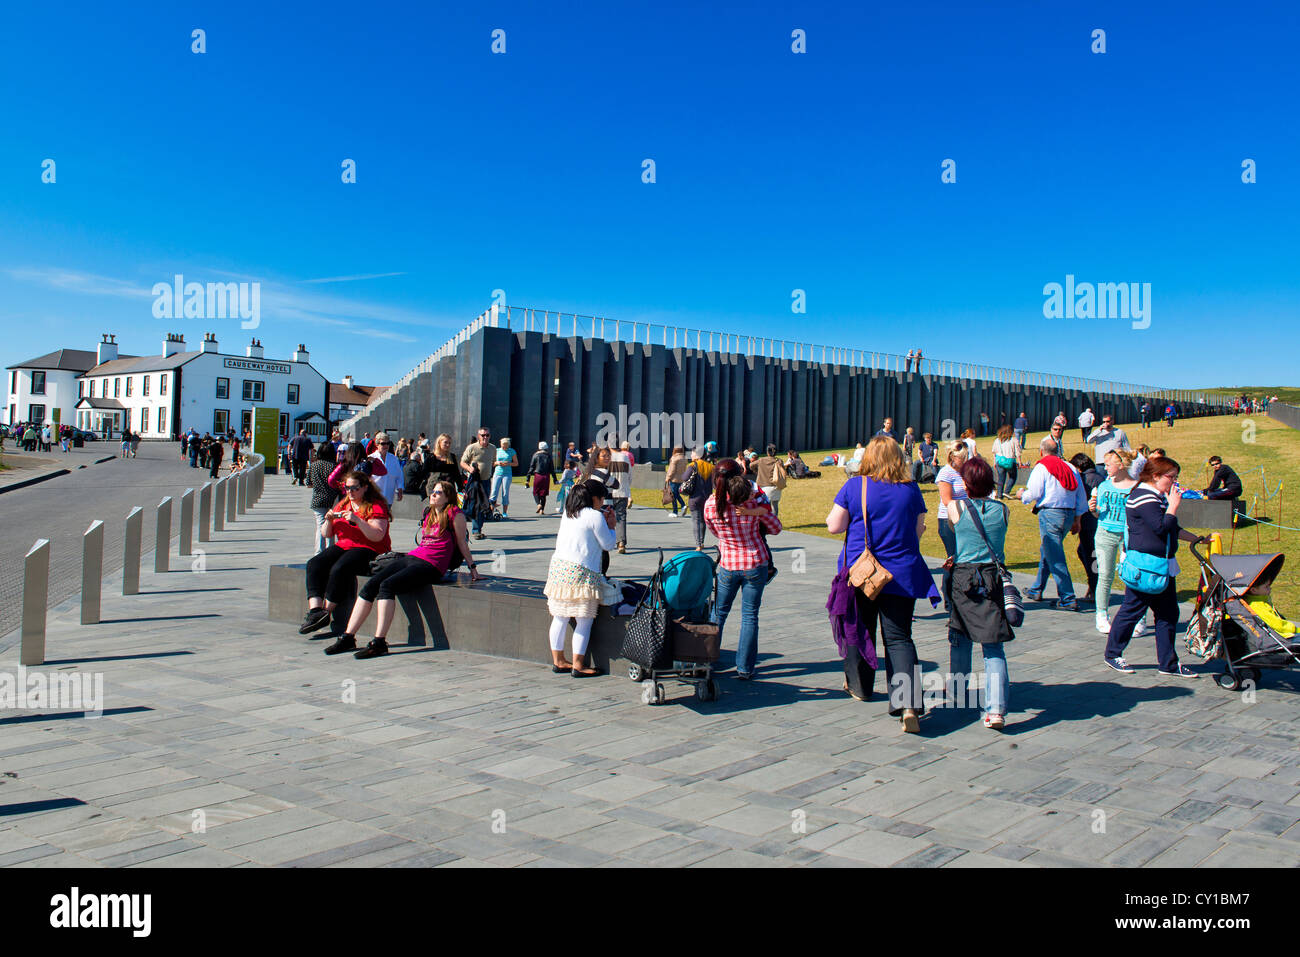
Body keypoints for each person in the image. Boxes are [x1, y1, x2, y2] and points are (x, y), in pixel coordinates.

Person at [825, 437, 934, 732]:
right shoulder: (911, 489)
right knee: (899, 638)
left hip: (862, 572)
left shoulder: (855, 486)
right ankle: (908, 702)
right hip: (902, 572)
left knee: (860, 628)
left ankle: (860, 687)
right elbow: (919, 527)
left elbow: (834, 526)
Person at [327, 480, 479, 658]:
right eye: (433, 491)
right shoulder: (428, 512)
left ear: (448, 497)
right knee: (370, 586)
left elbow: (462, 542)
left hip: (432, 565)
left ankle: (379, 642)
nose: (433, 495)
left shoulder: (455, 513)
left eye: (438, 493)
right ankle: (347, 637)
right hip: (414, 557)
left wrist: (473, 568)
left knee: (387, 586)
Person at [1104, 456, 1207, 677]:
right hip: (1146, 567)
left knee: (1168, 613)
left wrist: (1198, 539)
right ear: (1156, 476)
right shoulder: (1144, 497)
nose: (1175, 482)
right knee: (1132, 610)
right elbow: (1161, 528)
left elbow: (1173, 528)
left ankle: (1168, 664)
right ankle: (1112, 654)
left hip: (1163, 566)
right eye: (1172, 477)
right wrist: (1173, 506)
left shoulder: (1156, 497)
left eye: (1176, 477)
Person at [944, 456, 1015, 730]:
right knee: (993, 643)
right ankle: (996, 709)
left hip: (965, 576)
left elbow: (956, 531)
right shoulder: (1003, 509)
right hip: (992, 576)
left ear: (966, 483)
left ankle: (958, 691)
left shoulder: (956, 507)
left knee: (960, 634)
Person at [706, 459, 782, 681]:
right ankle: (745, 668)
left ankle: (708, 660)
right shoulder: (750, 504)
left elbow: (714, 532)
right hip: (754, 563)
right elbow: (776, 528)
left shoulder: (711, 504)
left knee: (718, 613)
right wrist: (758, 513)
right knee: (749, 616)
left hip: (728, 564)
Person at [298, 471, 393, 636]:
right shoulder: (342, 504)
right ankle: (315, 611)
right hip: (345, 545)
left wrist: (357, 520)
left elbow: (377, 536)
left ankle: (326, 612)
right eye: (346, 488)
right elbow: (327, 534)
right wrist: (328, 520)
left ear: (364, 488)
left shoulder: (375, 505)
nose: (350, 492)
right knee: (315, 564)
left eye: (354, 488)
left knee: (340, 567)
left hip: (369, 548)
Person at [543, 479, 617, 676]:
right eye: (602, 499)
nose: (602, 503)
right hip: (582, 572)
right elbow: (608, 544)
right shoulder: (595, 516)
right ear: (594, 498)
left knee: (559, 617)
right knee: (584, 619)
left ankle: (558, 661)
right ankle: (578, 664)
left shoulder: (569, 512)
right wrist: (612, 525)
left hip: (559, 568)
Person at [1018, 437, 1089, 610]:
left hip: (1050, 513)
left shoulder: (1042, 467)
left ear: (1041, 451)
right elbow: (1081, 497)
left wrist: (1022, 495)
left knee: (1055, 555)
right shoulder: (1071, 467)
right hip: (1069, 513)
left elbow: (1034, 492)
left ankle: (1067, 597)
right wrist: (1077, 519)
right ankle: (1037, 588)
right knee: (1048, 551)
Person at [1090, 448, 1144, 636]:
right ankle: (1102, 616)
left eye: (1108, 464)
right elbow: (1099, 512)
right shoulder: (1104, 486)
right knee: (1105, 575)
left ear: (1120, 465)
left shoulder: (1136, 487)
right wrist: (1093, 509)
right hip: (1105, 533)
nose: (1105, 468)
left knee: (1132, 577)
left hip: (1129, 535)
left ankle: (1138, 618)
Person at [935, 441, 970, 590]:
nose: (965, 460)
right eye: (962, 458)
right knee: (953, 558)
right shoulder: (946, 473)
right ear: (952, 457)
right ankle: (949, 594)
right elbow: (947, 500)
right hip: (948, 520)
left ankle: (960, 592)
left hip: (965, 519)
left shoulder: (965, 471)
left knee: (963, 559)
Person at [1071, 453, 1103, 604]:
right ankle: (1095, 586)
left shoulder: (1084, 480)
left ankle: (1094, 587)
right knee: (1089, 554)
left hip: (1088, 522)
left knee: (1090, 555)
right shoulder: (1099, 477)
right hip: (1098, 523)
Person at [460, 427, 497, 540]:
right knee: (476, 505)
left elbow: (492, 462)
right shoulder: (472, 448)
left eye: (487, 435)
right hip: (475, 482)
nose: (485, 437)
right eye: (482, 435)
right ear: (478, 436)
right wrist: (470, 469)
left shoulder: (492, 448)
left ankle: (478, 528)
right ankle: (476, 530)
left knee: (483, 504)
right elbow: (462, 462)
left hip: (486, 481)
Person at [307, 440, 338, 553]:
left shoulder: (314, 465)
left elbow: (308, 483)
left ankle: (319, 552)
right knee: (331, 525)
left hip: (317, 499)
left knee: (320, 525)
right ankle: (330, 551)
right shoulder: (334, 466)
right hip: (332, 499)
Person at [682, 448, 714, 550]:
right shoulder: (711, 467)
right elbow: (715, 484)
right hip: (707, 498)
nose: (691, 455)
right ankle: (702, 541)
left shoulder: (692, 466)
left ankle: (698, 544)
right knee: (703, 521)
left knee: (696, 520)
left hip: (695, 498)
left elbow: (684, 478)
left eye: (692, 453)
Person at [608, 443, 633, 553]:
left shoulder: (607, 458)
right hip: (622, 491)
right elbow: (630, 476)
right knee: (621, 517)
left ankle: (607, 542)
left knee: (606, 516)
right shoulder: (625, 457)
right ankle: (621, 543)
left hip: (609, 491)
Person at [754, 444, 788, 518]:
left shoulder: (761, 460)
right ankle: (774, 521)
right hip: (776, 485)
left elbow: (751, 465)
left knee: (764, 506)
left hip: (763, 486)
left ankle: (765, 523)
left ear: (767, 452)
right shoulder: (779, 461)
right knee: (775, 505)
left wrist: (757, 471)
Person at [371, 432, 404, 506]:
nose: (386, 446)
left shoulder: (394, 459)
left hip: (388, 497)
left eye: (388, 443)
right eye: (383, 443)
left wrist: (400, 489)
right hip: (374, 498)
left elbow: (399, 475)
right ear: (377, 445)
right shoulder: (371, 458)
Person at [991, 424, 1022, 499]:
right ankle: (1006, 491)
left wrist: (994, 462)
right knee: (1013, 477)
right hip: (1010, 461)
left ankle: (999, 495)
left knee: (1001, 478)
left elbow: (994, 452)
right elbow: (1018, 452)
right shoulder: (1013, 440)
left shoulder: (997, 440)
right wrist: (1020, 462)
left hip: (999, 461)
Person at [527, 441, 557, 514]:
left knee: (535, 492)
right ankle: (542, 510)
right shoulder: (548, 455)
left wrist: (527, 479)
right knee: (543, 493)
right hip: (546, 476)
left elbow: (531, 467)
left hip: (538, 476)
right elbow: (552, 469)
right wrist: (555, 479)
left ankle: (538, 504)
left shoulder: (535, 455)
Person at [490, 437, 518, 517]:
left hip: (507, 474)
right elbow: (492, 463)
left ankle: (505, 512)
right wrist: (498, 463)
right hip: (497, 473)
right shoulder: (497, 451)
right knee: (494, 492)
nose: (504, 447)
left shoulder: (511, 451)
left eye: (505, 445)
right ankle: (491, 510)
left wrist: (508, 463)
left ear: (508, 445)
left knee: (505, 493)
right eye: (502, 445)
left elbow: (516, 463)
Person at [665, 446, 689, 517]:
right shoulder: (684, 458)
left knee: (673, 496)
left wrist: (668, 478)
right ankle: (683, 506)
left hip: (674, 479)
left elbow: (671, 470)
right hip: (681, 479)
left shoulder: (674, 458)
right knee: (676, 494)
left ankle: (675, 511)